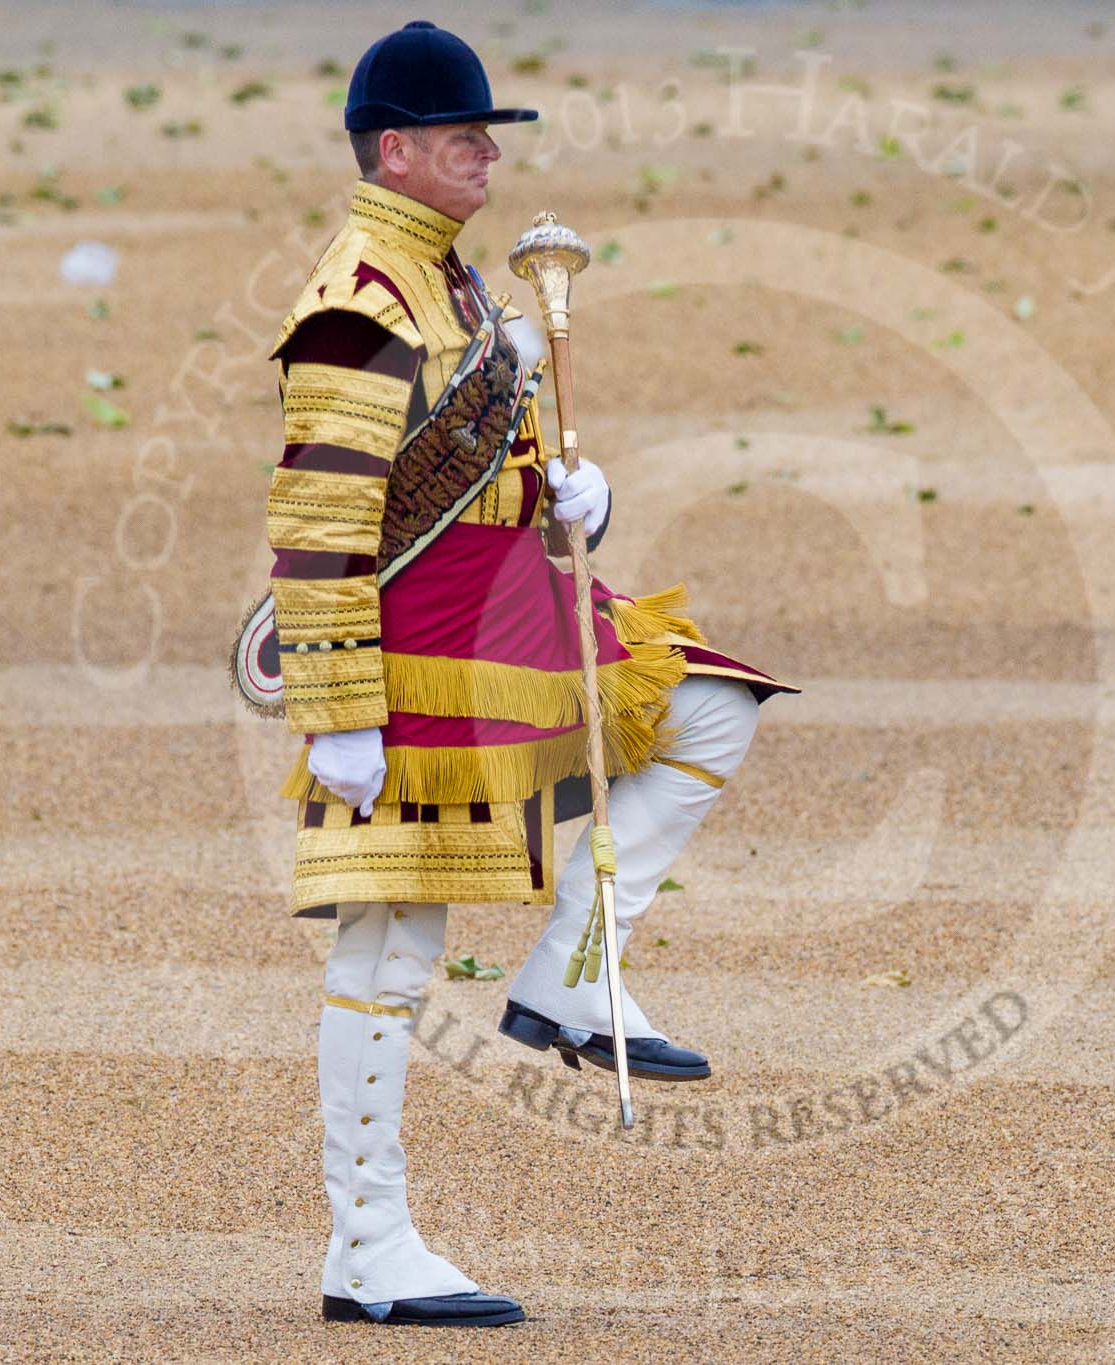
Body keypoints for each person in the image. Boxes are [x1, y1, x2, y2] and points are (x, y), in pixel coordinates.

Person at [256, 20, 792, 1329]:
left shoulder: (450, 281)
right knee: (390, 950)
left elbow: (483, 457)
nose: (487, 152)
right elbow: (321, 517)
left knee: (709, 707)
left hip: (516, 614)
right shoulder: (357, 299)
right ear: (396, 147)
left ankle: (570, 969)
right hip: (418, 655)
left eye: (488, 133)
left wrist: (573, 496)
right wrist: (339, 715)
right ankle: (368, 1244)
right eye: (461, 135)